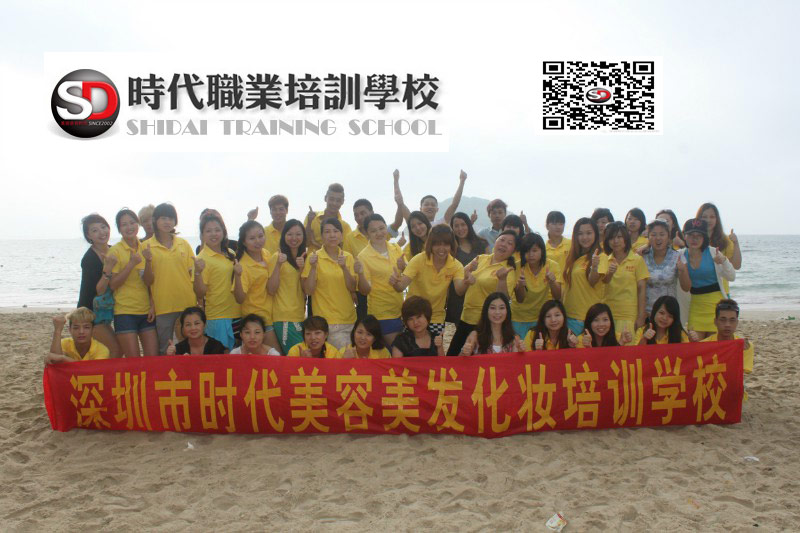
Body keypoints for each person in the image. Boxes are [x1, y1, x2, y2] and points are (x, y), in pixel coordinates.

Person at [447, 230, 518, 355]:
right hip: (465, 317)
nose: (504, 244)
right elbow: (461, 278)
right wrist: (468, 274)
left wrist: (502, 279)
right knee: (452, 356)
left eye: (509, 243)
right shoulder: (481, 258)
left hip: (484, 323)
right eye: (502, 240)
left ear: (513, 250)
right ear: (495, 241)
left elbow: (504, 299)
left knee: (477, 360)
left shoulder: (508, 269)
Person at [391, 224, 466, 336]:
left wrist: (467, 281)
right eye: (437, 244)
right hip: (413, 316)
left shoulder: (456, 265)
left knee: (436, 347)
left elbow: (459, 290)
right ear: (430, 244)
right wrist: (395, 283)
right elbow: (401, 287)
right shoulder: (418, 259)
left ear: (451, 245)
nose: (441, 249)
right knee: (411, 347)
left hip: (436, 317)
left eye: (446, 244)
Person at [142, 203, 196, 354]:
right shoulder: (146, 246)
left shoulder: (183, 244)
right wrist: (147, 261)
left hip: (187, 303)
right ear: (155, 220)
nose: (167, 222)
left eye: (171, 218)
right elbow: (147, 282)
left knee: (190, 346)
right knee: (166, 349)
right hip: (163, 305)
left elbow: (192, 275)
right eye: (163, 218)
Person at [107, 209, 157, 357]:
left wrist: (152, 305)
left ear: (138, 224)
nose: (129, 227)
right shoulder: (115, 251)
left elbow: (149, 282)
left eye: (132, 222)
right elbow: (113, 285)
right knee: (133, 362)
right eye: (124, 224)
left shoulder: (145, 247)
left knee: (152, 359)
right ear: (119, 229)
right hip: (124, 312)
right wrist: (131, 264)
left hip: (146, 311)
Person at [301, 218, 357, 349]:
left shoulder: (348, 257)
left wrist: (344, 268)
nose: (332, 235)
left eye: (336, 231)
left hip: (349, 319)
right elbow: (308, 291)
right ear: (321, 236)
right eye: (327, 232)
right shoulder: (314, 257)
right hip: (325, 322)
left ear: (341, 235)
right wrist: (313, 267)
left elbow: (352, 287)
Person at [355, 214, 406, 346]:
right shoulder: (363, 256)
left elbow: (406, 275)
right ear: (367, 234)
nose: (379, 233)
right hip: (382, 314)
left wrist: (404, 267)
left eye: (382, 228)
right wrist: (360, 274)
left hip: (401, 310)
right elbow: (365, 290)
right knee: (395, 350)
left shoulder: (395, 248)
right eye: (373, 231)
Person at [193, 213, 241, 351]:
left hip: (237, 313)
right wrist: (197, 272)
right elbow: (200, 293)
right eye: (208, 231)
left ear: (223, 232)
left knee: (237, 356)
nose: (213, 234)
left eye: (217, 230)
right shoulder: (202, 258)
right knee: (221, 357)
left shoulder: (230, 253)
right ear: (202, 235)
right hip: (218, 317)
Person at [682, 218, 735, 338]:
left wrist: (724, 261)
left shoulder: (713, 252)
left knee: (715, 345)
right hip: (695, 306)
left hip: (715, 306)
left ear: (704, 237)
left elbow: (732, 276)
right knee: (695, 344)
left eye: (699, 236)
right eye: (691, 235)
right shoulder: (680, 255)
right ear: (685, 236)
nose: (694, 239)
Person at [233, 220, 281, 351]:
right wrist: (237, 275)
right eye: (252, 238)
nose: (258, 241)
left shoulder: (266, 254)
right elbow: (239, 298)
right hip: (255, 320)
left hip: (271, 315)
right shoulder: (244, 265)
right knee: (275, 357)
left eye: (260, 236)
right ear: (244, 242)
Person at [77, 213, 121, 357]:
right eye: (95, 230)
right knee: (116, 350)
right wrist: (108, 268)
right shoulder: (89, 259)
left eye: (103, 227)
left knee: (106, 352)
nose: (102, 232)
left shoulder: (114, 250)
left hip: (106, 311)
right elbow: (99, 290)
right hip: (90, 313)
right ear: (88, 236)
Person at [511, 233, 563, 339]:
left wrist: (552, 282)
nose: (530, 255)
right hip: (518, 317)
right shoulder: (517, 266)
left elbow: (557, 296)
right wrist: (520, 286)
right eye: (526, 251)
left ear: (542, 251)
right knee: (519, 347)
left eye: (534, 250)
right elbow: (520, 299)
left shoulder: (552, 265)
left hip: (541, 317)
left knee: (539, 347)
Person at [267, 219, 307, 354]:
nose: (294, 238)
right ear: (283, 236)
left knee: (299, 357)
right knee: (297, 357)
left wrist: (302, 269)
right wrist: (278, 264)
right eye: (290, 234)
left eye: (298, 234)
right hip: (284, 317)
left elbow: (306, 290)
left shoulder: (305, 258)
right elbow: (271, 289)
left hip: (300, 316)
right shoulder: (277, 257)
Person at [563, 218, 608, 335]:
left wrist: (594, 266)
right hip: (567, 315)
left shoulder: (601, 256)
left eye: (589, 233)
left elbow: (593, 281)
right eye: (580, 234)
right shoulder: (572, 257)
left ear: (595, 234)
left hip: (585, 317)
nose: (584, 237)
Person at [601, 222, 649, 332]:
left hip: (628, 315)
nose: (615, 241)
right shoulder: (604, 259)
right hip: (606, 314)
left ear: (626, 238)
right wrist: (609, 273)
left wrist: (641, 316)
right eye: (612, 238)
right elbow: (603, 282)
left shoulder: (637, 260)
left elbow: (642, 289)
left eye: (619, 237)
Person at [702, 299, 754, 396]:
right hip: (709, 390)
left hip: (732, 390)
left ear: (737, 322)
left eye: (732, 320)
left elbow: (739, 376)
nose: (727, 325)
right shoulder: (704, 345)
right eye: (723, 319)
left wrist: (738, 353)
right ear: (715, 321)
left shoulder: (746, 346)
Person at [446, 212, 489, 325]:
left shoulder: (482, 244)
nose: (460, 228)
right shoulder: (451, 249)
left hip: (478, 296)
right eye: (456, 226)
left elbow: (488, 269)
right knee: (458, 332)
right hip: (457, 298)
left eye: (463, 224)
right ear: (452, 228)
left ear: (469, 225)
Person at [643, 218, 691, 314]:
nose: (658, 238)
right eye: (653, 235)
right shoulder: (642, 257)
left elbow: (686, 288)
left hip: (669, 313)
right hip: (647, 313)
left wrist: (682, 271)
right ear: (648, 237)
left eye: (662, 234)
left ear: (668, 237)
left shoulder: (678, 256)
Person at [395, 168, 468, 226]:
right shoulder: (415, 225)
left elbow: (454, 205)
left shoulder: (441, 223)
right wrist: (396, 180)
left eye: (433, 205)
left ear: (437, 209)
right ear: (420, 209)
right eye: (426, 204)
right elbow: (400, 202)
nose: (430, 207)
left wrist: (462, 181)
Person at [697, 202, 742, 294]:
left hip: (721, 292)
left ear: (717, 219)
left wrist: (736, 243)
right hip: (697, 291)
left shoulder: (725, 240)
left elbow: (736, 266)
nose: (708, 220)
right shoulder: (692, 240)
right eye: (704, 217)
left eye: (712, 217)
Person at [46, 308, 110, 364]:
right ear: (70, 330)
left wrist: (63, 358)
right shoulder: (64, 343)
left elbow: (90, 370)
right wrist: (58, 330)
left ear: (93, 330)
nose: (81, 332)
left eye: (86, 327)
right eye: (76, 328)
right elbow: (54, 361)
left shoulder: (102, 350)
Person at [305, 183, 352, 254]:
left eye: (338, 200)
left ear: (342, 202)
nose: (334, 203)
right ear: (325, 198)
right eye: (331, 199)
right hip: (311, 260)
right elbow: (305, 243)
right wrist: (309, 223)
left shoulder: (345, 226)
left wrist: (314, 242)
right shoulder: (312, 217)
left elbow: (342, 252)